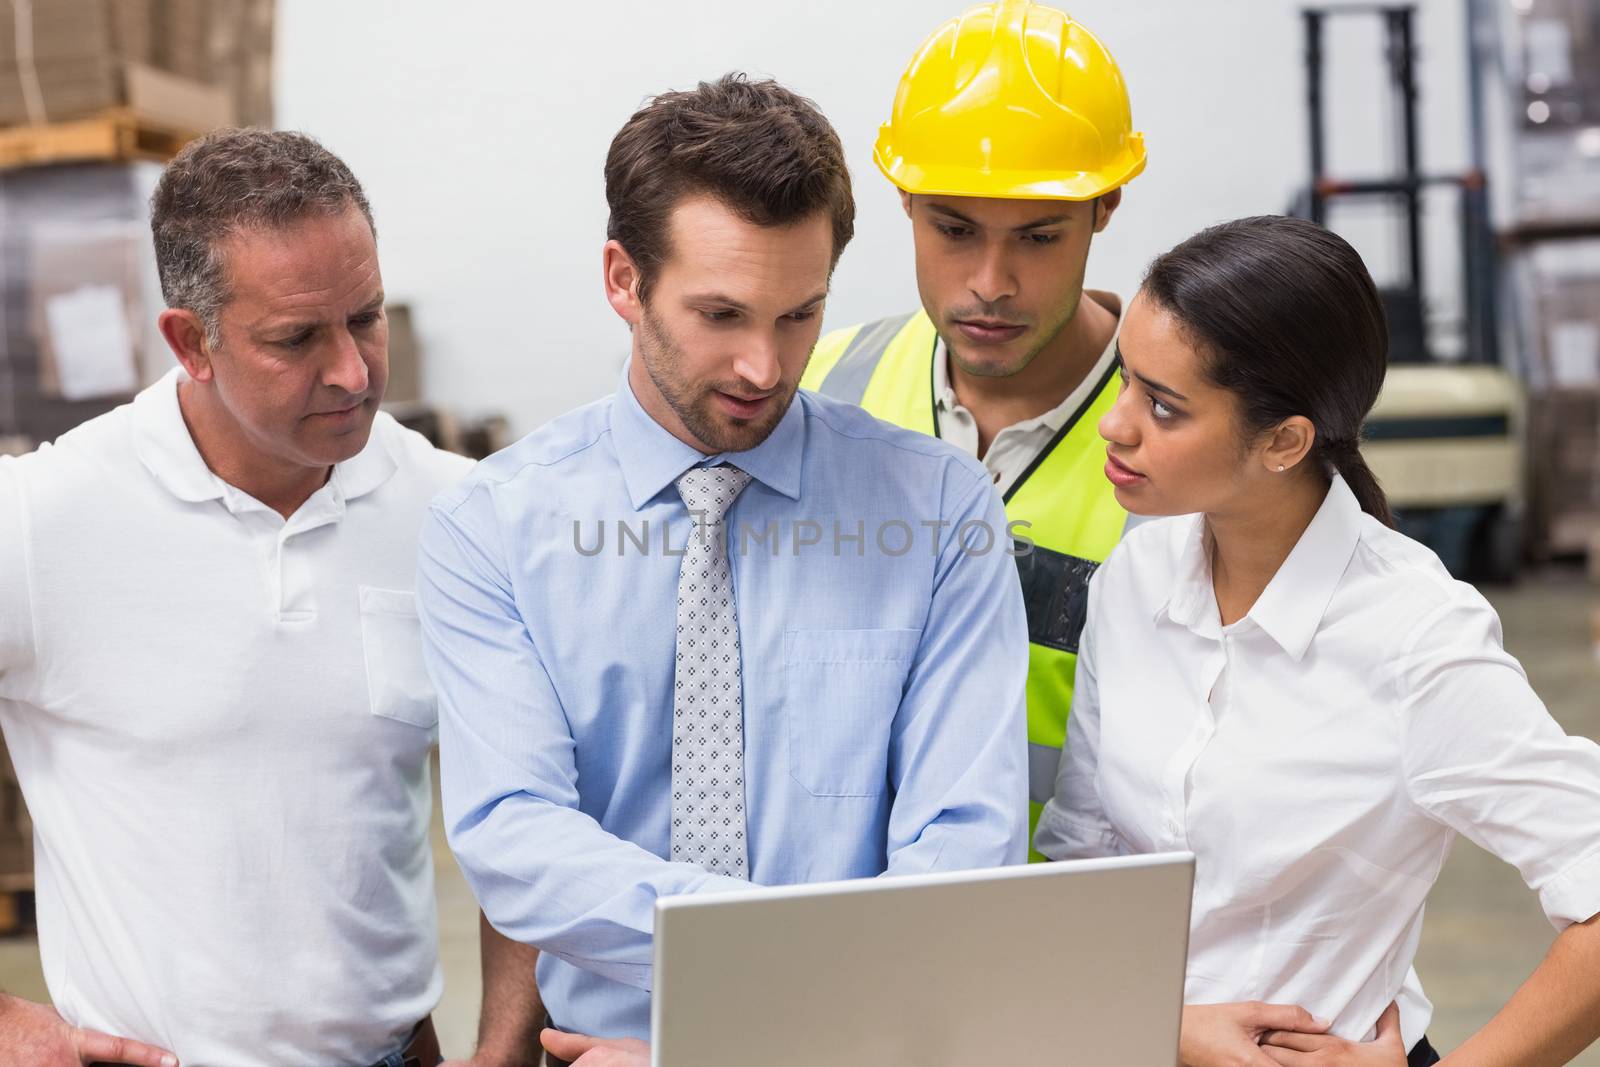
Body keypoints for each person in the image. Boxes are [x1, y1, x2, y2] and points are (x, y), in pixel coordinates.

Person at [415, 75, 1030, 1066]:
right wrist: (764, 956)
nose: (764, 366)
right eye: (721, 314)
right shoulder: (492, 528)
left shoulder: (940, 510)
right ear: (623, 279)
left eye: (799, 315)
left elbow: (965, 836)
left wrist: (779, 1029)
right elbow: (515, 832)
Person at [0, 129, 543, 1067]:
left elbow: (535, 819)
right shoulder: (48, 522)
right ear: (190, 341)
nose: (353, 371)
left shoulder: (460, 514)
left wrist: (500, 1055)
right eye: (296, 338)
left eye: (365, 317)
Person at [1036, 215, 1600, 1067]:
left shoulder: (1414, 637)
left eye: (1162, 405)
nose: (1115, 426)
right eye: (1125, 380)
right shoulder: (1136, 576)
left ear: (1284, 440)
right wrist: (1167, 1029)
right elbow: (1085, 857)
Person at [801, 0, 1145, 853]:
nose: (991, 281)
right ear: (905, 200)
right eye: (954, 229)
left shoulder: (1193, 431)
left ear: (1105, 207)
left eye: (1037, 235)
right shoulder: (813, 384)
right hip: (839, 915)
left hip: (1082, 935)